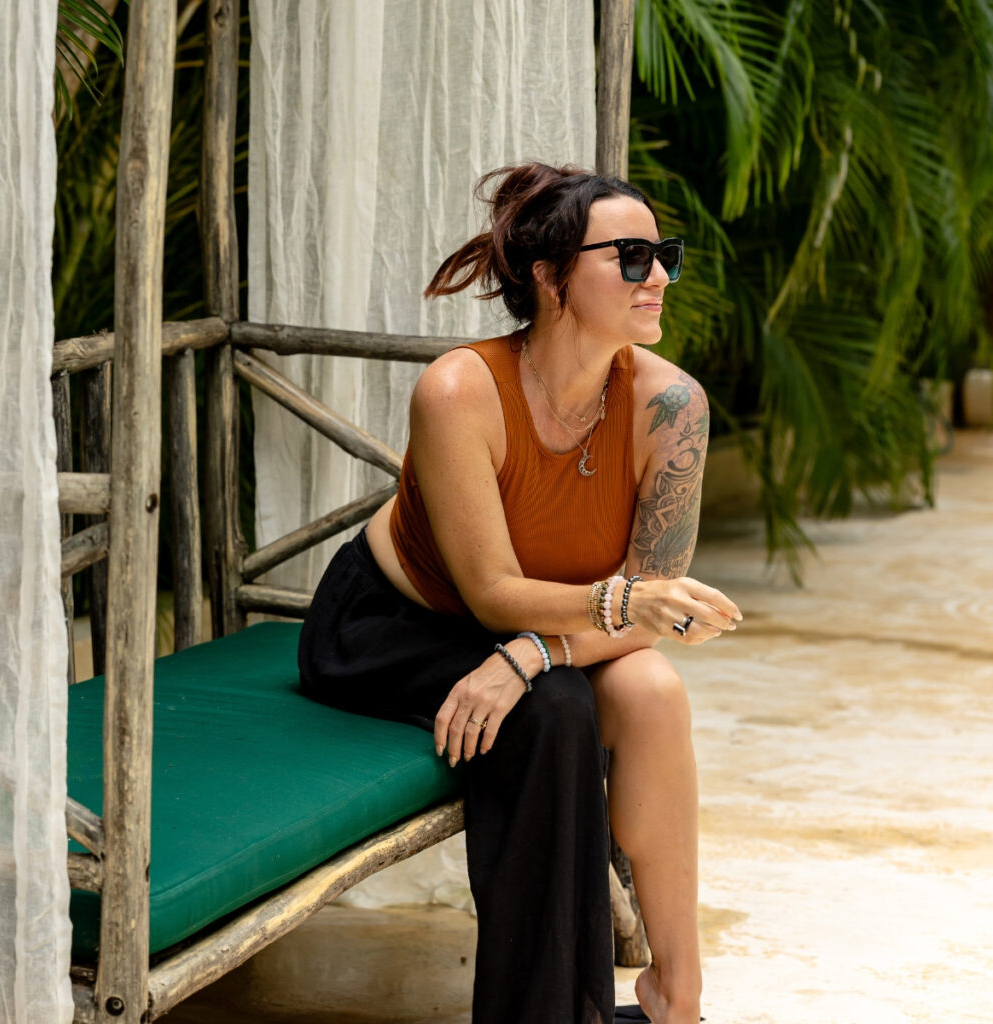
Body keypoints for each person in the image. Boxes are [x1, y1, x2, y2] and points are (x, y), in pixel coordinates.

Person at [298, 162, 741, 1024]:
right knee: (556, 712)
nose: (658, 277)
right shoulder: (462, 389)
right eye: (631, 257)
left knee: (650, 693)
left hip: (545, 632)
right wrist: (543, 646)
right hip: (394, 628)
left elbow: (646, 613)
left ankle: (675, 995)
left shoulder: (671, 406)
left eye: (665, 255)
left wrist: (534, 653)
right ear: (549, 276)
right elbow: (496, 593)